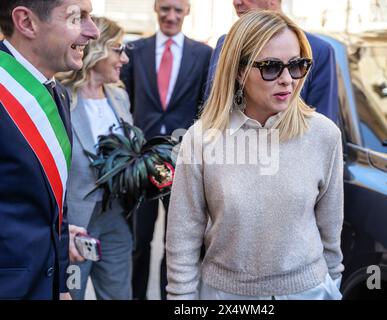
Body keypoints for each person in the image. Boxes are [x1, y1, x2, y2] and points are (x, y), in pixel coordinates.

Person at [166, 10, 344, 300]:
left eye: (297, 65)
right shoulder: (200, 139)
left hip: (309, 292)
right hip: (226, 296)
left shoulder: (325, 135)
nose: (288, 79)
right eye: (271, 67)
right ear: (238, 70)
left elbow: (331, 231)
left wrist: (332, 283)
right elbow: (183, 237)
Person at [0, 0, 98, 299]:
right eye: (76, 18)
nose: (92, 31)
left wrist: (65, 286)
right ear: (27, 23)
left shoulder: (58, 95)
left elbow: (57, 207)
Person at [120, 0, 212, 300]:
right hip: (141, 162)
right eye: (165, 9)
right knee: (139, 240)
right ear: (155, 9)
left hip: (182, 162)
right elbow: (126, 102)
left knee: (178, 243)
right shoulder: (134, 51)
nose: (170, 16)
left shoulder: (203, 55)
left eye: (178, 10)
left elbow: (204, 106)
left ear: (187, 12)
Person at [58, 16, 133, 300]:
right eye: (117, 49)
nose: (124, 58)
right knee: (71, 293)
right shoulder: (62, 96)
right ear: (97, 48)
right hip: (77, 221)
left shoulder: (120, 97)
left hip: (117, 216)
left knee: (119, 295)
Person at [204, 0, 339, 123]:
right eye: (270, 67)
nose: (237, 2)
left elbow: (321, 129)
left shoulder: (319, 50)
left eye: (297, 65)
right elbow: (213, 104)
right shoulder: (225, 44)